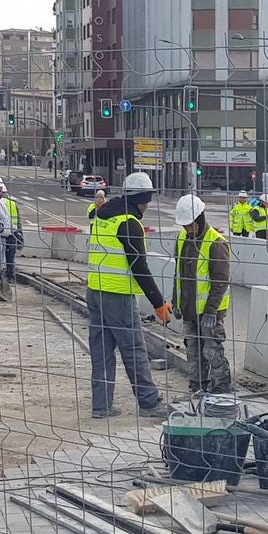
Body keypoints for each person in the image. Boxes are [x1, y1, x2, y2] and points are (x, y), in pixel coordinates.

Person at [87, 171, 172, 419]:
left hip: (94, 291)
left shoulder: (102, 216)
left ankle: (101, 406)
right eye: (147, 200)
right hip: (118, 295)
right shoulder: (129, 223)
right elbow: (139, 267)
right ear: (142, 199)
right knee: (134, 349)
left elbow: (93, 211)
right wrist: (158, 302)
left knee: (101, 352)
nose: (148, 206)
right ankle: (149, 402)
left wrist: (99, 200)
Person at [171, 194, 232, 394]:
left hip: (209, 312)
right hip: (189, 309)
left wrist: (211, 311)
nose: (189, 230)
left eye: (191, 225)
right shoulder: (182, 238)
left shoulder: (216, 242)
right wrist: (176, 301)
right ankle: (197, 386)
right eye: (186, 226)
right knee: (193, 350)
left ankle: (221, 388)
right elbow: (178, 273)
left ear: (200, 219)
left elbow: (220, 281)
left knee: (212, 350)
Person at [1, 187, 23, 284]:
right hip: (12, 234)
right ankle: (10, 277)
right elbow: (18, 222)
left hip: (0, 233)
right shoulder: (13, 204)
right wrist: (20, 237)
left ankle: (0, 276)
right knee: (10, 257)